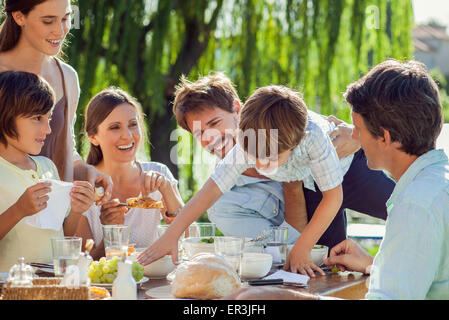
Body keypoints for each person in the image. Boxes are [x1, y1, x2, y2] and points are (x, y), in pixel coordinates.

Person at [226, 59, 449, 300]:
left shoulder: (415, 207)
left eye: (356, 128)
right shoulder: (436, 183)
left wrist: (294, 298)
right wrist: (374, 265)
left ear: (385, 137)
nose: (352, 136)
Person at [138, 82, 395, 278]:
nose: (261, 166)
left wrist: (301, 247)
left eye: (214, 123)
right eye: (254, 158)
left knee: (396, 206)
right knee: (330, 261)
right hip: (312, 190)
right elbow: (209, 192)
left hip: (347, 168)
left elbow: (334, 195)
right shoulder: (245, 144)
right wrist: (172, 234)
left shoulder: (312, 138)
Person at [0, 0, 112, 202]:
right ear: (18, 17)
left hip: (57, 220)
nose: (60, 31)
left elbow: (64, 147)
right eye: (48, 21)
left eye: (66, 18)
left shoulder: (67, 77)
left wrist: (86, 172)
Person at [74, 87, 184, 260]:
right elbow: (84, 263)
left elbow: (191, 239)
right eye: (115, 127)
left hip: (153, 281)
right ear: (93, 137)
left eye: (133, 124)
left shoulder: (159, 173)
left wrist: (168, 191)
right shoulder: (84, 187)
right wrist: (112, 233)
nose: (127, 136)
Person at [0, 71, 94, 272]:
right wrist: (18, 210)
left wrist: (77, 210)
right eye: (37, 118)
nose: (48, 129)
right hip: (11, 289)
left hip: (54, 283)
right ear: (5, 115)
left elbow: (62, 234)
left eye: (49, 119)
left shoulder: (47, 167)